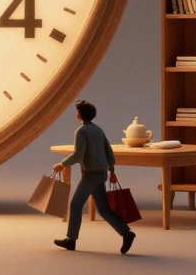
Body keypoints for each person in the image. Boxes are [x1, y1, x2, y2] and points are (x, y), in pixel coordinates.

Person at [52, 100, 135, 254]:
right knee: (103, 209)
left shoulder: (81, 131)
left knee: (75, 205)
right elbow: (109, 151)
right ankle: (126, 233)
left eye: (77, 110)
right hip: (102, 174)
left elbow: (78, 155)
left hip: (90, 175)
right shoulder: (98, 130)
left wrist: (62, 164)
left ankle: (71, 239)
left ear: (80, 113)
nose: (75, 113)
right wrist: (111, 169)